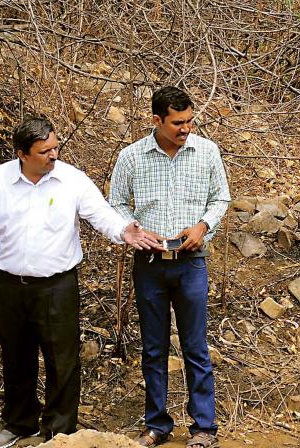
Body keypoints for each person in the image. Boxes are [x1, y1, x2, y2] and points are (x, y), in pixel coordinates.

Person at [0, 117, 160, 447]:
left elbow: (101, 214)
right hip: (7, 285)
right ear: (22, 154)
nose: (54, 155)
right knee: (16, 356)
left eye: (56, 147)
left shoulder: (72, 181)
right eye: (45, 151)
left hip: (57, 286)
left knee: (62, 358)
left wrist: (124, 230)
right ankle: (19, 422)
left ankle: (59, 432)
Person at [109, 86, 230, 448]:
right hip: (149, 264)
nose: (185, 128)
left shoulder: (207, 151)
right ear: (156, 120)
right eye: (177, 122)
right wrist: (134, 230)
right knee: (153, 347)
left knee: (195, 346)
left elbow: (220, 197)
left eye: (190, 121)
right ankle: (157, 424)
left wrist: (203, 226)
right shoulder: (132, 157)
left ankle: (204, 428)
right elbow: (115, 203)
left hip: (192, 263)